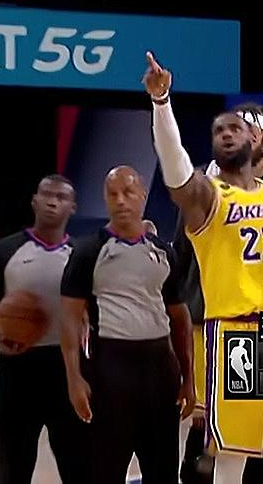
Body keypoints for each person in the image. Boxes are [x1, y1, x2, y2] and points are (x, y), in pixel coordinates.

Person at [144, 52, 263, 484]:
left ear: (256, 140)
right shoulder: (207, 196)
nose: (226, 134)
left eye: (234, 128)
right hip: (234, 335)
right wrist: (162, 104)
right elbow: (175, 166)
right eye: (218, 130)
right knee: (231, 452)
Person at [60, 165, 195, 483]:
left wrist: (189, 378)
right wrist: (74, 379)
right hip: (110, 371)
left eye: (128, 192)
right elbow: (68, 320)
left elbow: (180, 318)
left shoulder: (164, 251)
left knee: (163, 472)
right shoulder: (87, 251)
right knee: (106, 472)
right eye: (113, 194)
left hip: (161, 371)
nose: (120, 200)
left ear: (142, 195)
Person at [0, 175, 90, 484]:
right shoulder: (3, 251)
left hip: (68, 370)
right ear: (34, 201)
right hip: (18, 369)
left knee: (79, 468)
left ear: (72, 207)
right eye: (46, 194)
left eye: (61, 197)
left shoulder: (82, 256)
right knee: (12, 469)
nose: (52, 201)